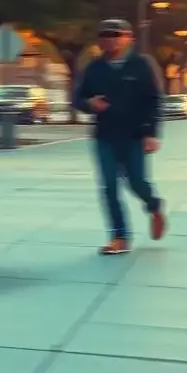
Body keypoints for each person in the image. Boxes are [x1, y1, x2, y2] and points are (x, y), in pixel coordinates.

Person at [74, 18, 167, 255]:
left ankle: (154, 206)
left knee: (136, 181)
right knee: (109, 187)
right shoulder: (93, 67)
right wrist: (89, 104)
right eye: (105, 34)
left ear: (128, 38)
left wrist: (151, 133)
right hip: (105, 135)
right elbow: (77, 99)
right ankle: (120, 236)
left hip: (135, 135)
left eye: (116, 34)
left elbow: (154, 100)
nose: (110, 38)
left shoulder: (142, 64)